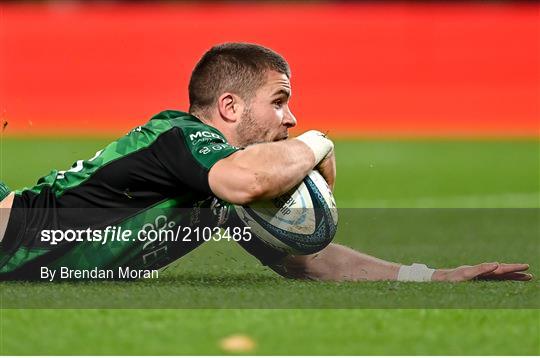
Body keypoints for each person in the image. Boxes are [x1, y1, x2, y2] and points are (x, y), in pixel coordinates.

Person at [0, 43, 531, 282]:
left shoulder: (226, 188)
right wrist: (320, 142)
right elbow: (248, 177)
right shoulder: (181, 137)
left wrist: (432, 276)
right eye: (278, 100)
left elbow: (307, 259)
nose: (292, 116)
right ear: (229, 107)